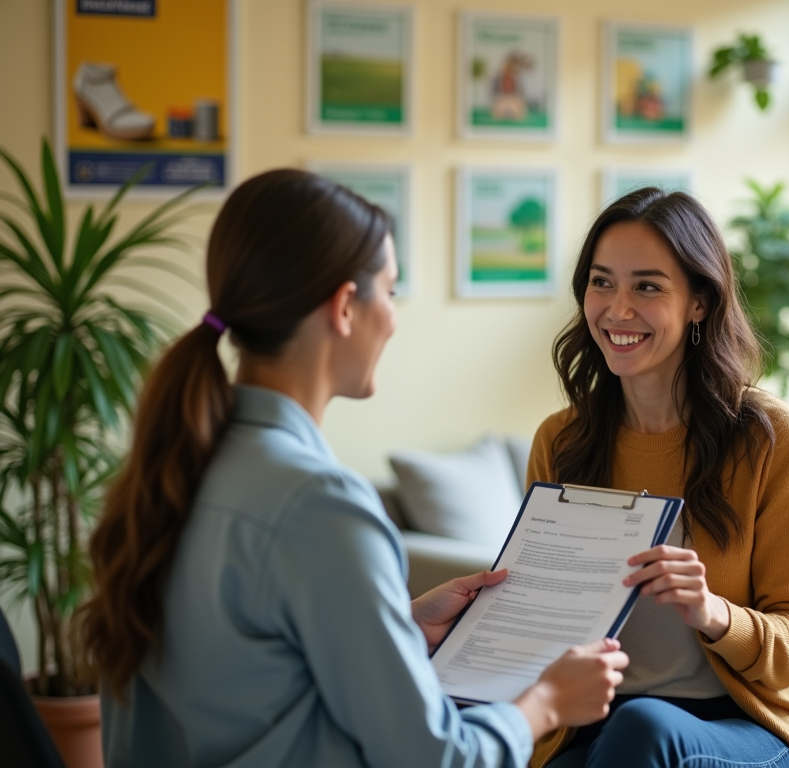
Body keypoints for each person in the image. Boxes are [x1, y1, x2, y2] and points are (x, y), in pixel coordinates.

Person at [75, 169, 629, 768]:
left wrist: (398, 628)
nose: (392, 317)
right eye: (390, 292)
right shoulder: (321, 505)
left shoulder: (173, 471)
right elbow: (434, 759)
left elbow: (252, 678)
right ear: (344, 306)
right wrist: (544, 703)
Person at [526, 188, 789, 768]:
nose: (617, 309)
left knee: (644, 730)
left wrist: (712, 612)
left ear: (699, 302)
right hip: (595, 726)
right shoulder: (561, 441)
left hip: (742, 727)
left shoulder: (767, 437)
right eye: (601, 281)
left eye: (647, 286)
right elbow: (542, 619)